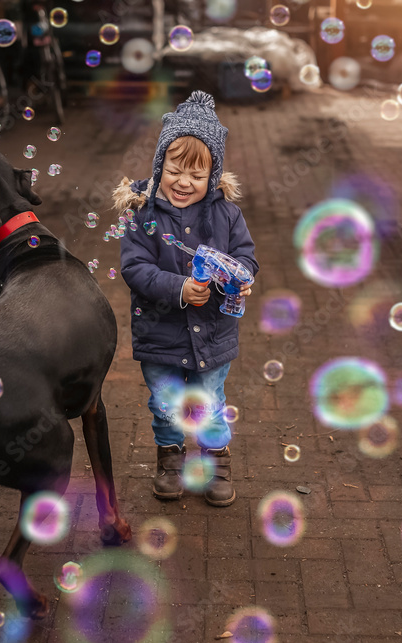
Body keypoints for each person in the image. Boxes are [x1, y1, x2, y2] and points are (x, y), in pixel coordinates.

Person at [113, 90, 259, 506]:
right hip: (160, 333)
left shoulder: (225, 214)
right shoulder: (143, 215)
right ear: (160, 166)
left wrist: (244, 276)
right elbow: (135, 269)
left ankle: (216, 460)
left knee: (211, 402)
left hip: (213, 333)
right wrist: (179, 289)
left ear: (212, 177)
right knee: (165, 404)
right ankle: (170, 457)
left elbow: (245, 254)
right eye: (175, 170)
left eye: (196, 176)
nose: (184, 182)